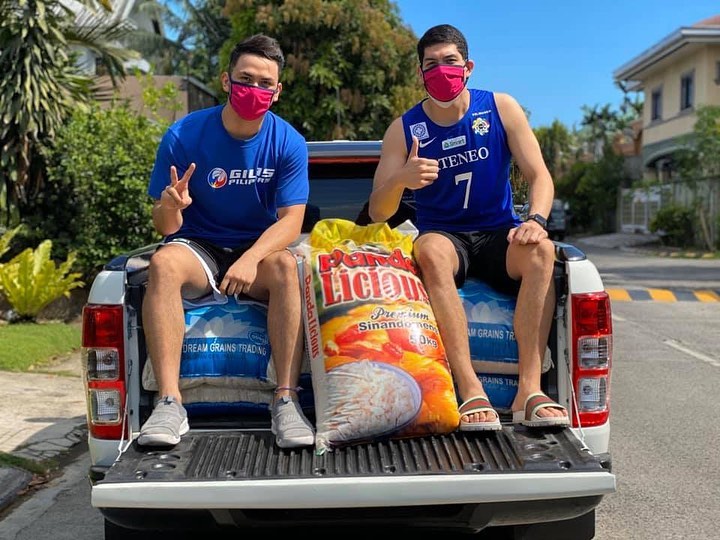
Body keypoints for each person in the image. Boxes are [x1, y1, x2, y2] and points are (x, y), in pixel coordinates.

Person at [368, 24, 569, 430]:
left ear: (468, 66)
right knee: (429, 250)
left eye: (450, 62)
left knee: (543, 251)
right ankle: (470, 388)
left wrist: (536, 220)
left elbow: (540, 176)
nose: (441, 70)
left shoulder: (500, 108)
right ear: (421, 74)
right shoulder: (404, 130)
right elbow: (377, 210)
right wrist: (402, 178)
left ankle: (529, 390)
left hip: (499, 231)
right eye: (431, 65)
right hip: (445, 235)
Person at [138, 34, 314, 449]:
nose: (254, 90)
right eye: (245, 79)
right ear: (225, 80)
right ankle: (168, 402)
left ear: (277, 90)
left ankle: (286, 400)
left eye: (264, 83)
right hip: (199, 245)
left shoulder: (288, 141)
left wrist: (253, 258)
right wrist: (171, 204)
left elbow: (292, 222)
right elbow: (163, 226)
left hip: (258, 247)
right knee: (162, 263)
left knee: (288, 267)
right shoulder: (183, 135)